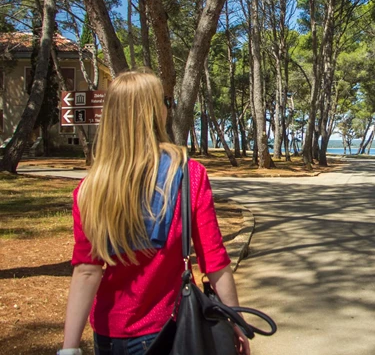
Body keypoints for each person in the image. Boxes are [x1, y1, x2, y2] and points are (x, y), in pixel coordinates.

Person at [59, 70, 249, 355]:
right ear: (153, 112)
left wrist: (69, 348)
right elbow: (214, 259)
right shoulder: (187, 175)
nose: (166, 108)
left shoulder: (90, 188)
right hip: (168, 331)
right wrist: (235, 317)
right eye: (164, 102)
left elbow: (87, 271)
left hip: (108, 335)